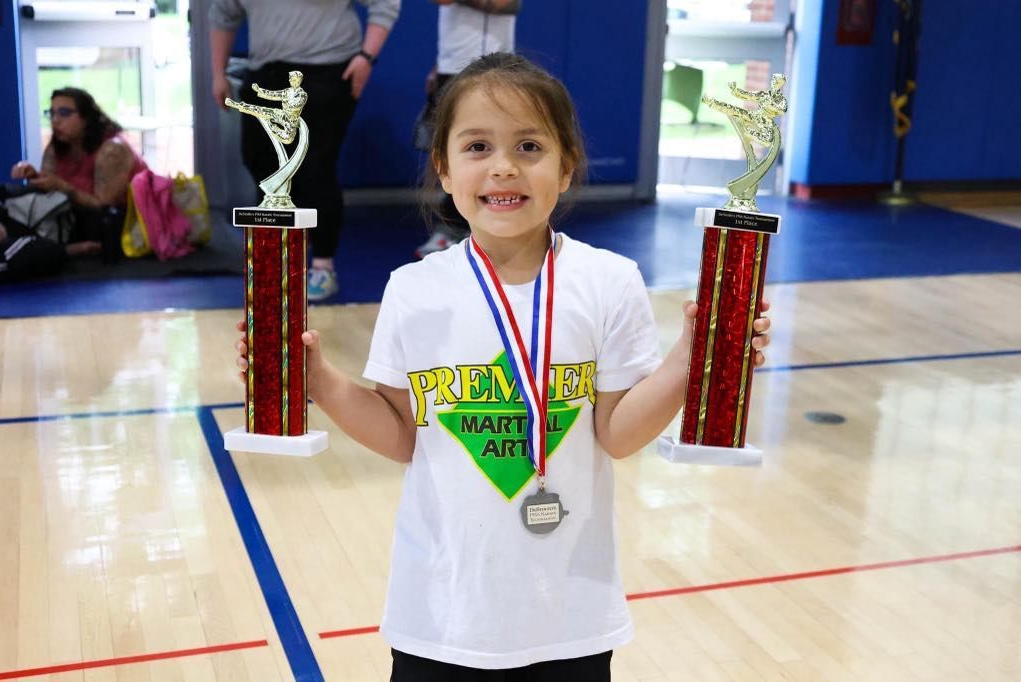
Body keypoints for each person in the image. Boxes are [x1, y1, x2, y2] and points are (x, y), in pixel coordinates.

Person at [234, 53, 772, 679]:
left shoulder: (608, 281)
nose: (503, 166)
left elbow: (618, 434)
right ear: (444, 167)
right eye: (478, 146)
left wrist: (694, 357)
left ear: (567, 166)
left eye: (529, 145)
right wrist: (316, 380)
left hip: (570, 617)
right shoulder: (414, 288)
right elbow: (402, 434)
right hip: (441, 616)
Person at [209, 0, 401, 301]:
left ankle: (323, 265)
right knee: (261, 164)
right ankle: (279, 255)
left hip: (328, 69)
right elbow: (223, 14)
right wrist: (218, 72)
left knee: (315, 168)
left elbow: (386, 3)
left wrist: (366, 57)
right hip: (265, 68)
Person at [415, 0, 521, 259]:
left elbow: (509, 4)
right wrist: (439, 66)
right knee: (452, 154)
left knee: (484, 153)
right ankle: (456, 228)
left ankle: (472, 230)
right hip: (451, 68)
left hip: (491, 69)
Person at [10, 87, 149, 260]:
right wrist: (33, 177)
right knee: (9, 197)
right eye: (51, 113)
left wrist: (61, 186)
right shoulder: (57, 147)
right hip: (76, 218)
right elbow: (48, 194)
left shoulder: (112, 149)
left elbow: (104, 205)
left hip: (119, 223)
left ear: (86, 118)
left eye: (65, 113)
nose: (55, 120)